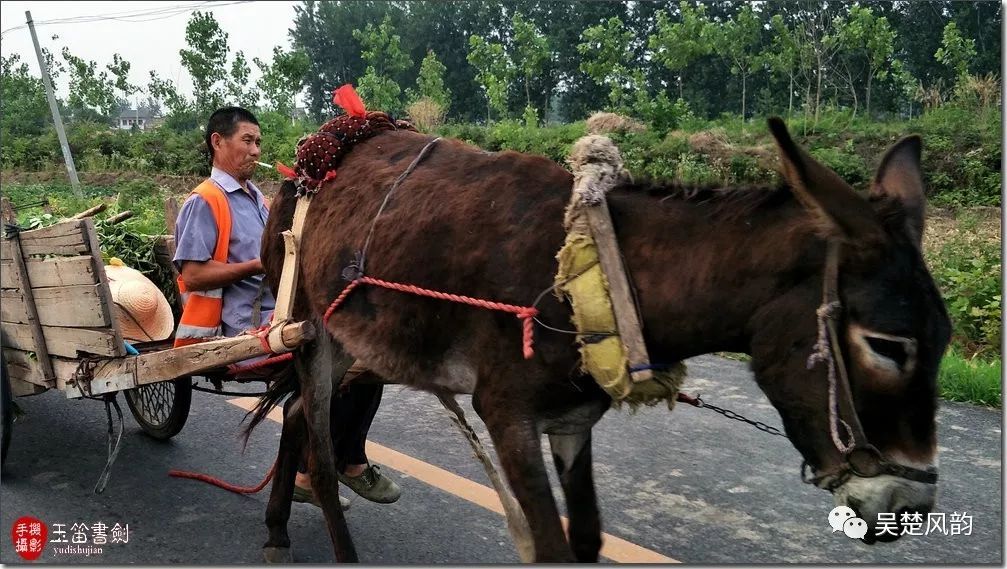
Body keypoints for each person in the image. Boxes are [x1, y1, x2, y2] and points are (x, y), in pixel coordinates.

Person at [172, 106, 401, 509]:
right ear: (217, 142)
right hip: (235, 330)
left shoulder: (259, 200)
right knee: (334, 373)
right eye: (247, 140)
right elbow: (192, 276)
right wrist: (263, 262)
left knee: (364, 359)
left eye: (258, 142)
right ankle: (323, 470)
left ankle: (331, 466)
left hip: (276, 317)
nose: (255, 149)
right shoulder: (204, 201)